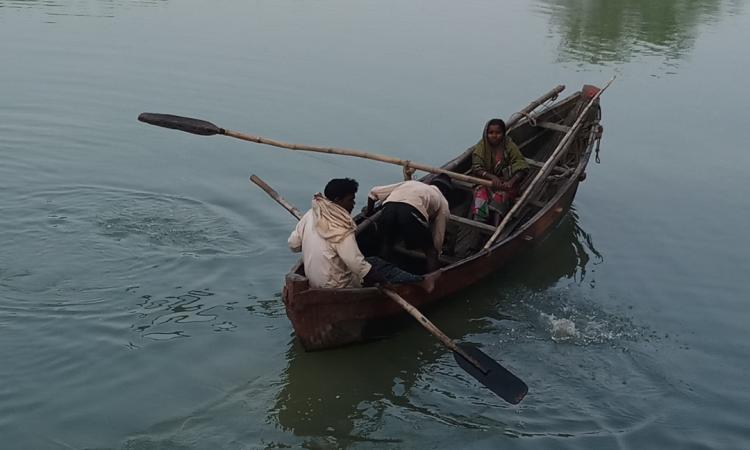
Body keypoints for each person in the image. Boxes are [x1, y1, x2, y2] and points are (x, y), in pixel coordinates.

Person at [288, 178, 386, 289]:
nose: (353, 204)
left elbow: (294, 245)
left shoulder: (310, 214)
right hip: (337, 286)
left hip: (312, 282)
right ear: (337, 200)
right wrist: (380, 280)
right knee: (379, 266)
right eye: (350, 200)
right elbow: (354, 262)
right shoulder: (342, 226)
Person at [364, 174, 452, 272]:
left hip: (388, 209)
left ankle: (381, 276)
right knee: (431, 252)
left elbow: (373, 193)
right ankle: (433, 281)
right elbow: (439, 233)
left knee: (387, 244)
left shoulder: (410, 183)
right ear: (445, 192)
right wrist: (436, 252)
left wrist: (369, 213)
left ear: (430, 183)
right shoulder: (443, 202)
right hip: (411, 212)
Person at [469, 118, 529, 225]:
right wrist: (492, 177)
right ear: (486, 133)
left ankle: (496, 227)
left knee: (500, 197)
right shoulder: (482, 147)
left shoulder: (509, 146)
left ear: (503, 134)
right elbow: (477, 168)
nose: (494, 136)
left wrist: (511, 182)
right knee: (480, 195)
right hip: (486, 182)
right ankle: (478, 225)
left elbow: (521, 165)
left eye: (498, 133)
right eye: (491, 133)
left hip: (505, 184)